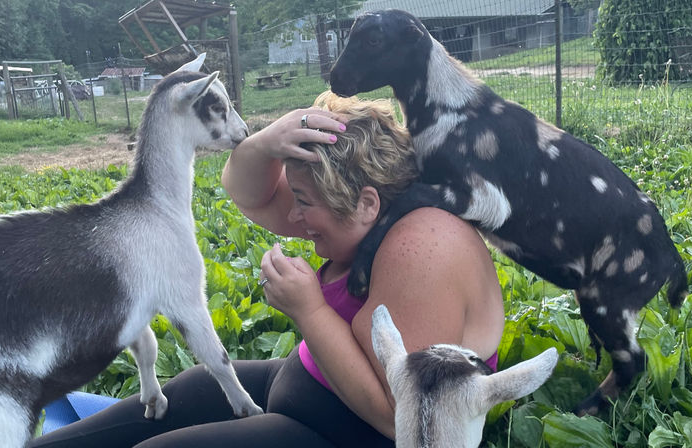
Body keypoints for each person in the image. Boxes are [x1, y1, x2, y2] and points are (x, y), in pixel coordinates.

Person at [29, 92, 505, 447]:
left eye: (303, 203)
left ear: (365, 203)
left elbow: (399, 416)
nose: (292, 220)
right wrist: (266, 142)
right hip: (303, 390)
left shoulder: (426, 250)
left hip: (346, 435)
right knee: (180, 395)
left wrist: (311, 311)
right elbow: (248, 193)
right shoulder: (366, 213)